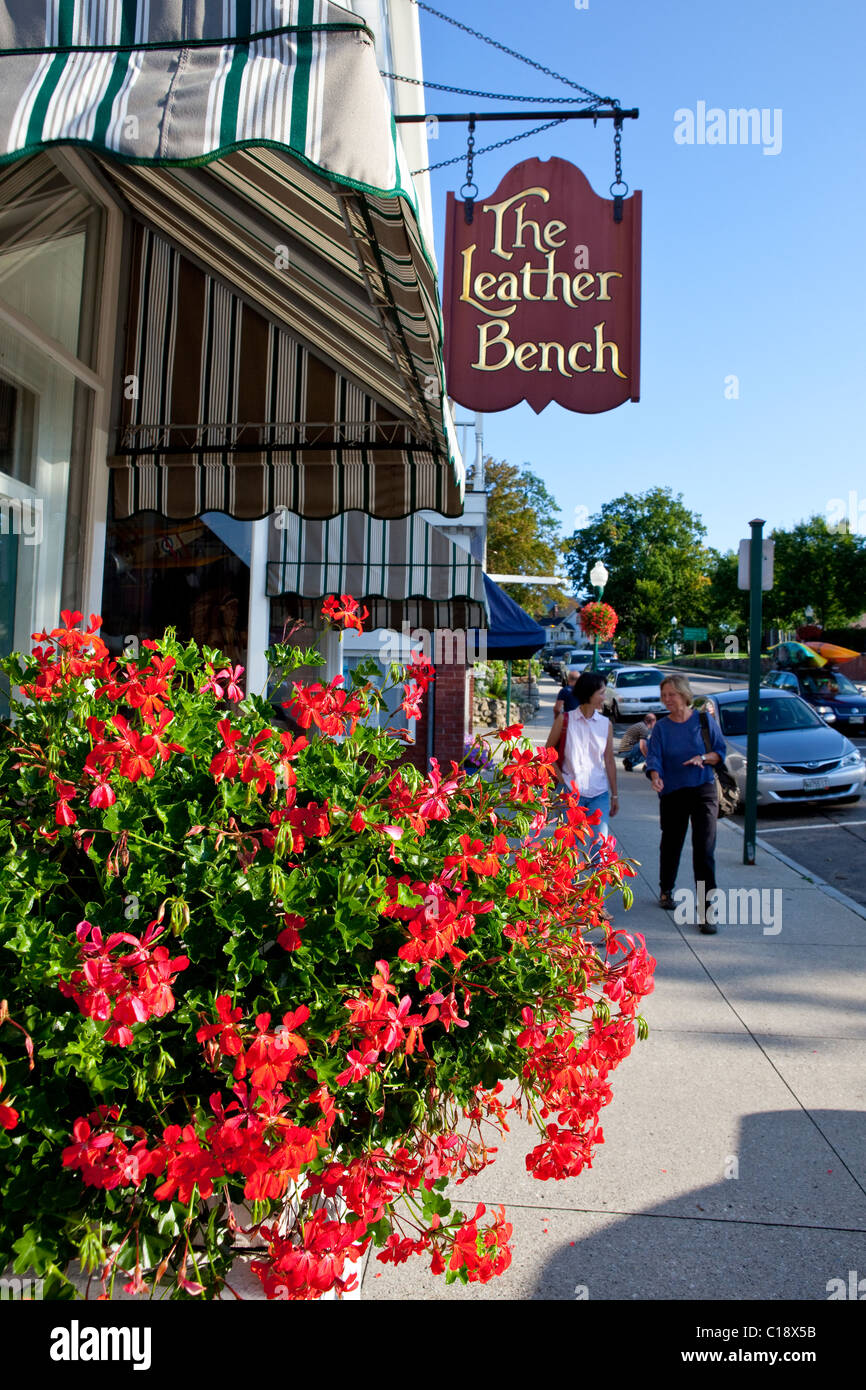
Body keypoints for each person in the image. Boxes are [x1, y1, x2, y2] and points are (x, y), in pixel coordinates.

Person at [645, 674, 726, 934]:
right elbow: (654, 756)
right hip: (673, 792)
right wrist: (655, 776)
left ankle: (706, 909)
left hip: (703, 789)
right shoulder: (661, 727)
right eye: (664, 695)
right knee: (672, 843)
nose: (668, 700)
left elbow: (719, 752)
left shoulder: (703, 720)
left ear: (684, 694)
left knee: (704, 850)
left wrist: (703, 757)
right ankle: (666, 889)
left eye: (672, 694)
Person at [547, 671, 619, 843]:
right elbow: (548, 751)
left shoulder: (605, 724)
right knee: (566, 847)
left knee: (599, 844)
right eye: (601, 692)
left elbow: (609, 760)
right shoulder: (565, 720)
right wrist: (562, 780)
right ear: (589, 693)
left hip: (598, 793)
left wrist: (615, 795)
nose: (604, 697)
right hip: (570, 794)